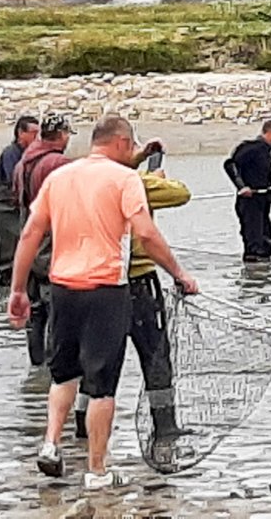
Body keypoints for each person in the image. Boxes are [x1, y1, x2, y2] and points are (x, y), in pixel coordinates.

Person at [7, 114, 198, 489]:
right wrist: (180, 273)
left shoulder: (59, 177)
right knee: (101, 385)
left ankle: (50, 444)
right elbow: (146, 233)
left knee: (63, 373)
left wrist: (17, 289)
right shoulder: (125, 179)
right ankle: (97, 470)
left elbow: (30, 233)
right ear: (123, 144)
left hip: (62, 286)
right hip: (106, 288)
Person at [73, 141, 191, 444]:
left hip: (94, 281)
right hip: (138, 281)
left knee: (95, 358)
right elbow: (181, 193)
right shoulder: (136, 183)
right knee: (155, 354)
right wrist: (154, 177)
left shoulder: (78, 178)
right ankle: (164, 425)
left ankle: (83, 425)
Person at [12, 113, 76, 366]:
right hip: (51, 248)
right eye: (68, 134)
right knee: (55, 312)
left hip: (28, 246)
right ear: (61, 135)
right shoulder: (59, 164)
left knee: (35, 312)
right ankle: (55, 369)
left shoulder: (23, 161)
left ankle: (36, 370)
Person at [224, 119, 271, 262]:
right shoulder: (250, 148)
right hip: (248, 201)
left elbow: (265, 178)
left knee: (267, 240)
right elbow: (230, 165)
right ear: (269, 132)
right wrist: (241, 186)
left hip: (262, 199)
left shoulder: (269, 152)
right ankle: (252, 272)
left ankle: (264, 274)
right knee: (254, 241)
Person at [0, 115, 39, 288]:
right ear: (20, 133)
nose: (36, 138)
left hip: (19, 210)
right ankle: (5, 291)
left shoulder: (29, 155)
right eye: (33, 133)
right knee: (8, 254)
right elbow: (14, 180)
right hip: (4, 210)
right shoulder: (11, 153)